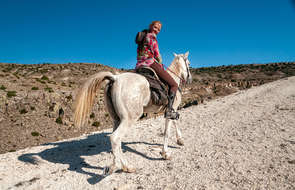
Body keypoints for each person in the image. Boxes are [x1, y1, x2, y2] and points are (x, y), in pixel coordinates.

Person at [135, 21, 179, 120]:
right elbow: (157, 54)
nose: (157, 30)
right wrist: (160, 61)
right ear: (151, 26)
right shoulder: (152, 37)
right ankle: (169, 111)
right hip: (150, 63)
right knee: (174, 84)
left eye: (159, 29)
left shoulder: (142, 36)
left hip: (139, 65)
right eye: (155, 27)